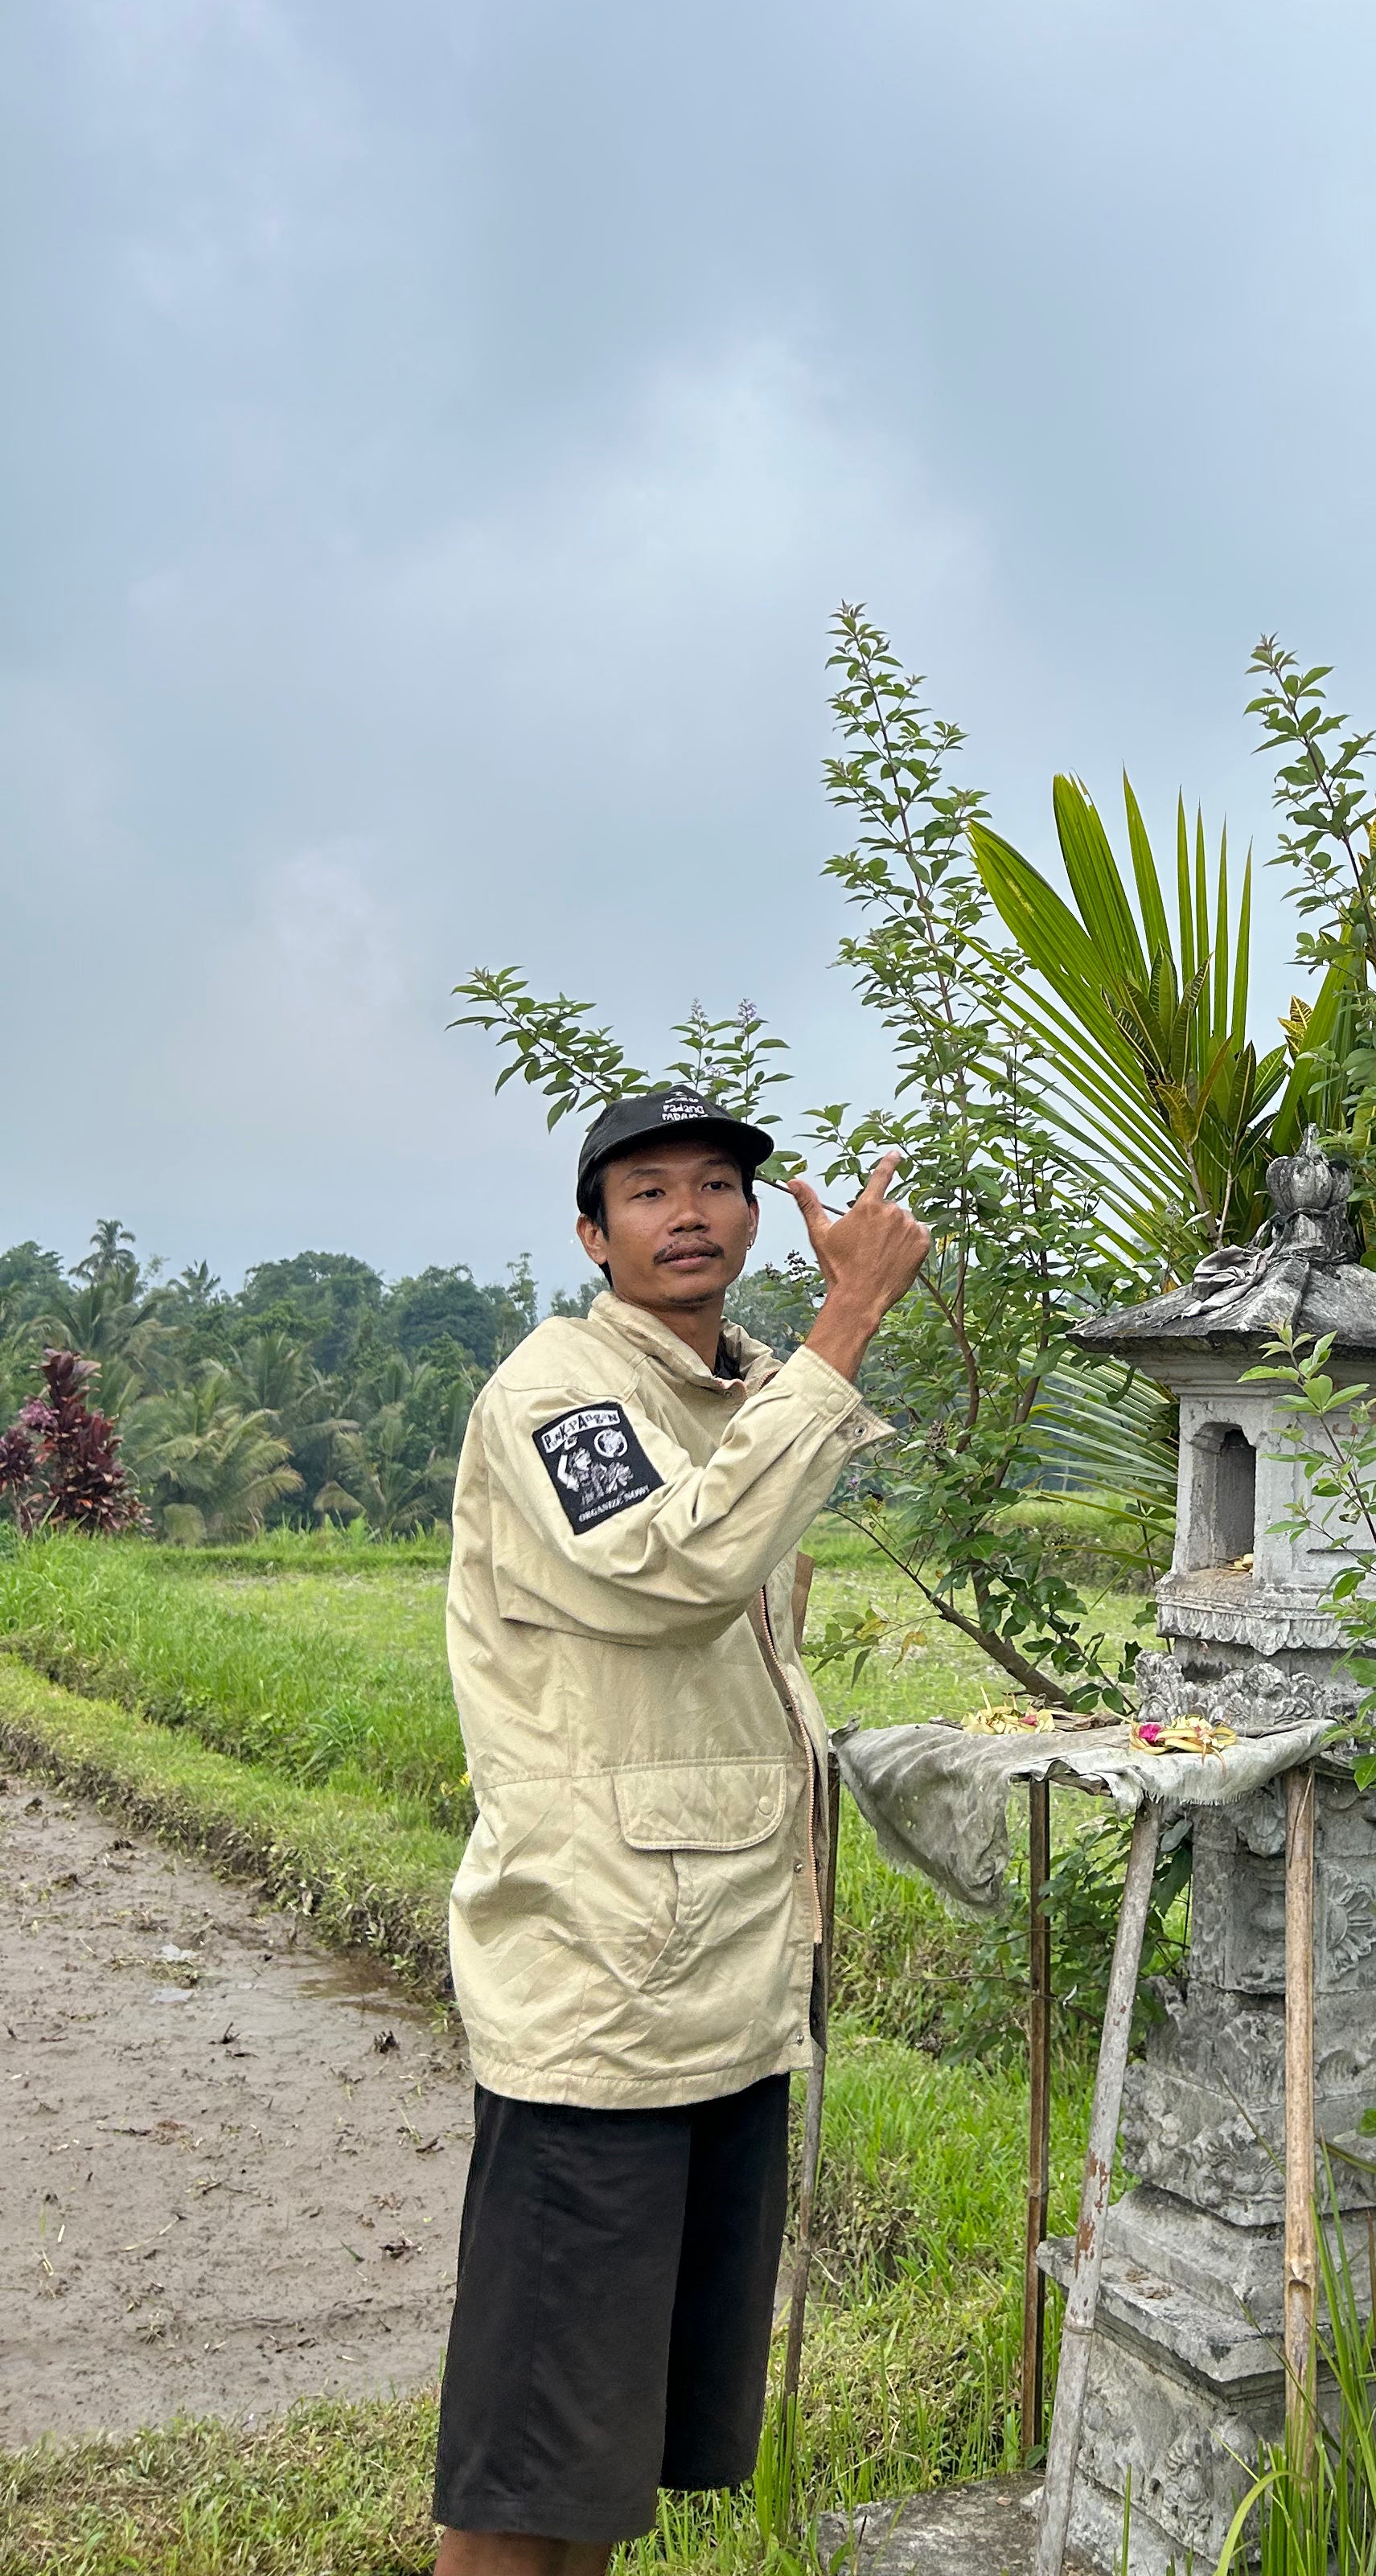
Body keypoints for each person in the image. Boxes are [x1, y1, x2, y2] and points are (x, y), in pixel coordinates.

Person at [429, 1085, 928, 2576]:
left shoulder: (729, 1388)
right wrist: (846, 1331)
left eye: (719, 1183)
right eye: (647, 1191)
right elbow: (670, 1571)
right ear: (593, 1236)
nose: (691, 1211)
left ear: (756, 1218)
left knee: (610, 2449)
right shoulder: (558, 1393)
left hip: (717, 1988)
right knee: (527, 2462)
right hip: (601, 1991)